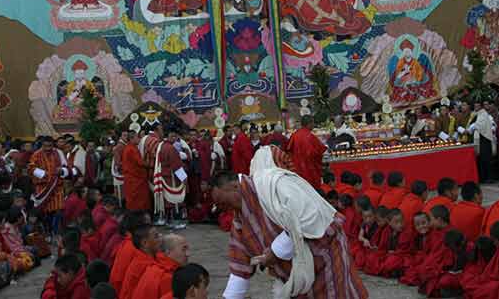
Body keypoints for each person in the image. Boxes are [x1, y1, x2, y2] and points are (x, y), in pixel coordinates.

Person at [212, 147, 368, 298]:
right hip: (296, 275)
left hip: (326, 258)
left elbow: (308, 217)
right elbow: (239, 265)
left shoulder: (276, 182)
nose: (222, 208)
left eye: (221, 201)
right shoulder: (239, 219)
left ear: (233, 186)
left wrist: (275, 252)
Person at [132, 232, 189, 299]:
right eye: (183, 249)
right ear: (168, 252)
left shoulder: (155, 264)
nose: (188, 254)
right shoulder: (167, 277)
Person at [120, 223, 161, 299]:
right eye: (156, 237)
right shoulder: (142, 266)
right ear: (145, 243)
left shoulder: (146, 257)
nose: (160, 239)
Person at [285, 115, 326, 188]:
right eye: (313, 123)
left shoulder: (294, 135)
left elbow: (288, 151)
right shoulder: (310, 136)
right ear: (309, 123)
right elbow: (318, 153)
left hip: (297, 168)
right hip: (310, 169)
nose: (314, 125)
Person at [121, 131, 152, 214]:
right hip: (136, 180)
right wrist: (149, 161)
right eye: (137, 137)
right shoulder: (132, 149)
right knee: (138, 201)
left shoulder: (129, 147)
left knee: (133, 201)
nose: (139, 139)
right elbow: (141, 163)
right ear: (132, 138)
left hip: (132, 179)